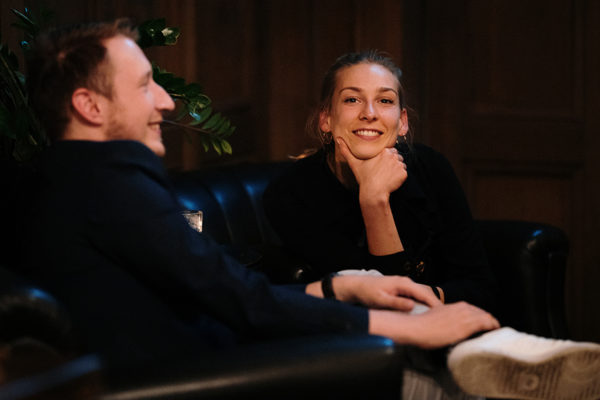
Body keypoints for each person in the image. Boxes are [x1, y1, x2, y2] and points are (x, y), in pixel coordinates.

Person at [19, 19, 499, 376]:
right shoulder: (111, 186)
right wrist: (408, 326)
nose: (166, 101)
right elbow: (241, 303)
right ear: (89, 105)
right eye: (146, 84)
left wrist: (338, 288)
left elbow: (225, 288)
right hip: (219, 376)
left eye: (386, 100)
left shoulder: (81, 180)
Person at [263, 50, 600, 399]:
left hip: (440, 340)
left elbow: (481, 287)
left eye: (385, 100)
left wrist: (433, 300)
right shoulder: (289, 194)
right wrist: (374, 199)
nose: (370, 113)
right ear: (326, 120)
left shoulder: (430, 168)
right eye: (352, 99)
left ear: (403, 121)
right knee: (361, 282)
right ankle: (515, 354)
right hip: (363, 347)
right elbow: (377, 297)